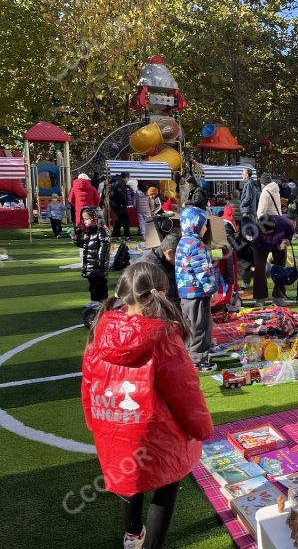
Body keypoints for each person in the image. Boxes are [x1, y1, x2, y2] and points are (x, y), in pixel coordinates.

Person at [81, 262, 213, 549]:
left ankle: (132, 535)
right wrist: (201, 429)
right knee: (167, 484)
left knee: (128, 480)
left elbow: (88, 386)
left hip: (113, 425)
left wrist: (96, 423)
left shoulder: (99, 332)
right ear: (161, 294)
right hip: (157, 432)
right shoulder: (164, 337)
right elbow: (185, 392)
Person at [175, 206, 217, 372]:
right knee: (200, 325)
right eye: (204, 224)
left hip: (185, 292)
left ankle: (189, 354)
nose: (206, 228)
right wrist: (211, 289)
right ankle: (199, 359)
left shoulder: (182, 242)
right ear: (195, 225)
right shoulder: (196, 245)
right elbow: (202, 271)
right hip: (198, 292)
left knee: (189, 324)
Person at [251, 214, 294, 307]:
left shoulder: (284, 222)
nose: (266, 233)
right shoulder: (254, 229)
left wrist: (286, 240)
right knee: (259, 269)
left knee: (281, 267)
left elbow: (291, 231)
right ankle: (260, 298)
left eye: (269, 231)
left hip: (280, 243)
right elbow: (257, 245)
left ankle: (279, 296)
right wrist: (275, 246)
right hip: (262, 247)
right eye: (264, 231)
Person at [73, 206, 111, 306]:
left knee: (99, 284)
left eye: (87, 219)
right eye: (84, 219)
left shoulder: (101, 230)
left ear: (95, 218)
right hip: (90, 263)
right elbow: (85, 245)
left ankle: (102, 302)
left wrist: (101, 259)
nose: (85, 221)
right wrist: (76, 239)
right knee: (92, 284)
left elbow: (105, 244)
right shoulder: (90, 231)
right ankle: (95, 300)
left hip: (98, 263)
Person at [138, 233, 181, 307]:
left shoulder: (166, 260)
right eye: (181, 257)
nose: (183, 261)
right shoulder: (154, 267)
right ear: (169, 253)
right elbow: (166, 299)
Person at [110, 172, 132, 239]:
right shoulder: (121, 183)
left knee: (119, 220)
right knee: (126, 220)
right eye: (129, 177)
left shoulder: (115, 182)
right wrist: (126, 203)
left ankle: (118, 235)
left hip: (115, 204)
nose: (129, 179)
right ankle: (126, 235)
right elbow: (123, 194)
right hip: (120, 204)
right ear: (126, 177)